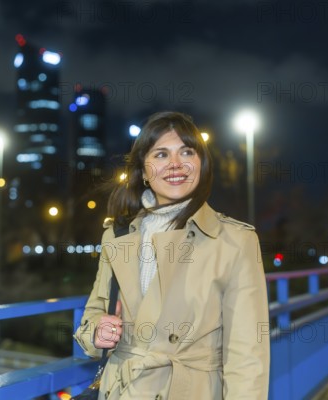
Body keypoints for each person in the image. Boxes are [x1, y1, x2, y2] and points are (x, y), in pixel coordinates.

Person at [74, 111, 270, 399]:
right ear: (143, 170)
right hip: (122, 390)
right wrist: (96, 333)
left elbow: (248, 354)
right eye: (161, 154)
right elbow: (93, 315)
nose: (176, 164)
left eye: (186, 152)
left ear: (201, 164)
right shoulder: (118, 235)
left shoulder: (234, 240)